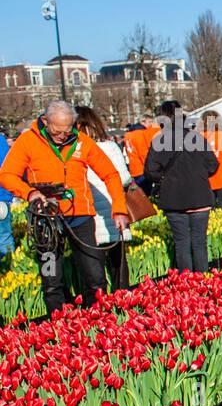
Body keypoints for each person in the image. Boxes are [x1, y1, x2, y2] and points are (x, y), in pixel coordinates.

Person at [0, 100, 130, 311]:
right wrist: (30, 193)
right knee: (52, 279)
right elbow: (7, 175)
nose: (63, 136)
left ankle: (100, 321)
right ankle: (59, 328)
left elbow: (111, 174)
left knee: (94, 277)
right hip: (46, 220)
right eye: (57, 131)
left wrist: (119, 209)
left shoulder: (82, 141)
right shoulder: (28, 141)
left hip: (80, 217)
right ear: (45, 121)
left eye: (67, 130)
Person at [145, 101, 219, 274]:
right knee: (199, 242)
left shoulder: (159, 141)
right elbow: (213, 165)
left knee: (181, 243)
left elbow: (150, 171)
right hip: (199, 196)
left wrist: (164, 178)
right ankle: (202, 282)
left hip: (173, 199)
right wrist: (198, 176)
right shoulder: (196, 138)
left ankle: (186, 286)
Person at [75, 106, 132, 288]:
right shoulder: (110, 147)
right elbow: (124, 178)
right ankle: (123, 300)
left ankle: (99, 309)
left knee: (93, 265)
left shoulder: (74, 150)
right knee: (119, 261)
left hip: (88, 214)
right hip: (113, 209)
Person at [0, 132, 12, 259]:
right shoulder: (1, 141)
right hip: (1, 199)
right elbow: (7, 170)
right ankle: (8, 271)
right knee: (4, 240)